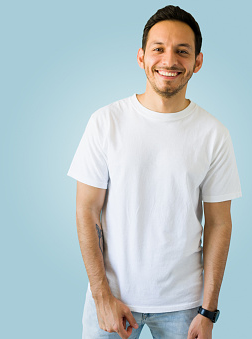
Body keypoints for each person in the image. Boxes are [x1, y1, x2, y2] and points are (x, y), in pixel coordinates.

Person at [67, 5, 242, 339]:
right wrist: (102, 297)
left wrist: (208, 311)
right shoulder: (106, 122)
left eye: (182, 51)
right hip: (111, 298)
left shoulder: (214, 133)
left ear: (197, 62)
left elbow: (219, 222)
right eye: (158, 49)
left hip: (185, 306)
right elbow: (85, 210)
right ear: (141, 57)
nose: (169, 60)